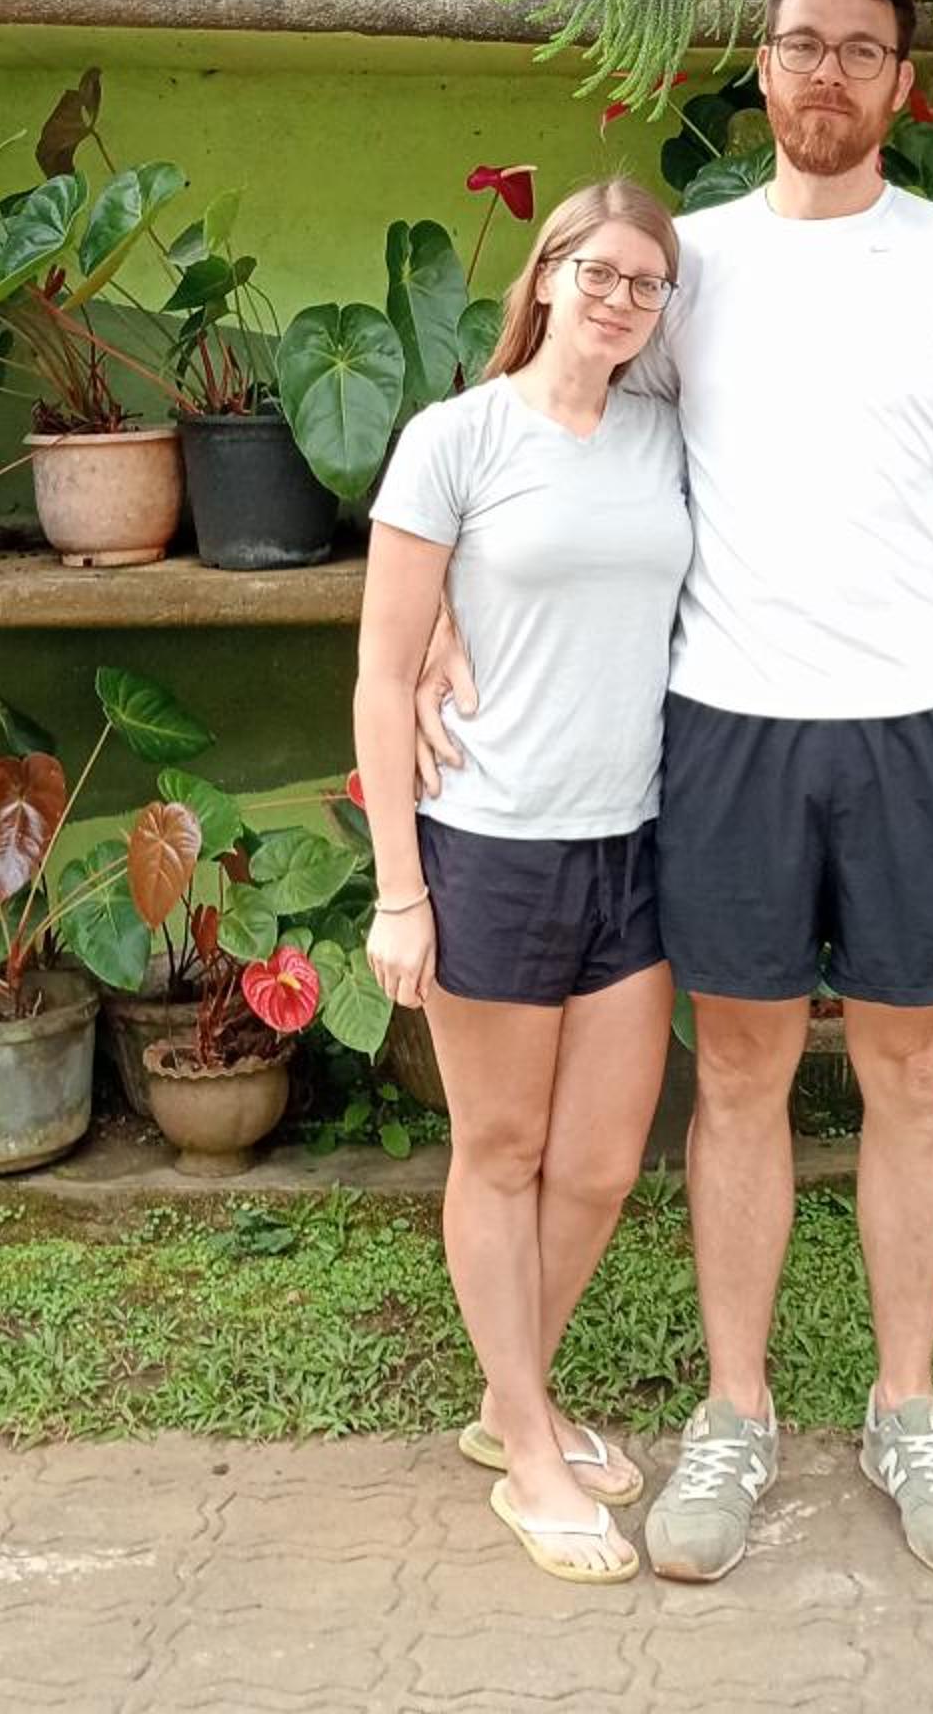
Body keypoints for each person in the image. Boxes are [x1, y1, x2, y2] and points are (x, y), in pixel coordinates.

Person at [416, 0, 933, 1581]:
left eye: (860, 50)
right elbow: (546, 419)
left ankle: (908, 1406)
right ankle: (733, 1409)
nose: (825, 74)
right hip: (723, 732)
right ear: (759, 69)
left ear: (901, 85)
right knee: (738, 1077)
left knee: (911, 1075)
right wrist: (432, 620)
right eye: (799, 45)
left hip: (921, 730)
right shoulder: (688, 266)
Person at [355, 176, 692, 1588]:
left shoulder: (668, 436)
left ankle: (515, 1405)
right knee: (500, 1152)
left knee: (603, 1163)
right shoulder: (456, 438)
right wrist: (399, 891)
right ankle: (532, 1454)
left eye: (645, 283)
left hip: (636, 842)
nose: (617, 299)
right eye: (596, 271)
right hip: (489, 844)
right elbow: (384, 670)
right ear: (545, 276)